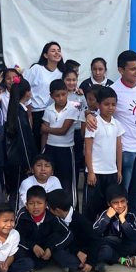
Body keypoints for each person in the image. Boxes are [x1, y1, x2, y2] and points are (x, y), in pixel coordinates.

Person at [86, 50, 136, 215]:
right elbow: (98, 112)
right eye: (133, 69)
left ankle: (130, 217)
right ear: (121, 70)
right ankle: (116, 221)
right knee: (120, 192)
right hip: (124, 150)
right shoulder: (113, 90)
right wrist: (88, 114)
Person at [15, 185, 80, 272]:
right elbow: (15, 236)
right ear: (26, 205)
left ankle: (80, 264)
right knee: (19, 254)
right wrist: (33, 246)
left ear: (46, 204)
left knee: (64, 256)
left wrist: (51, 248)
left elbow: (68, 234)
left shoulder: (52, 216)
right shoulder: (22, 215)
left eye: (39, 203)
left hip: (48, 249)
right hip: (29, 249)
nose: (35, 207)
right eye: (31, 203)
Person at [83, 86, 124, 222]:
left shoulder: (117, 124)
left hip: (111, 172)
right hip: (96, 172)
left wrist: (119, 170)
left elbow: (119, 148)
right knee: (90, 206)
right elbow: (88, 149)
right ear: (99, 105)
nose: (110, 107)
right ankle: (88, 236)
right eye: (106, 104)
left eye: (113, 104)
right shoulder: (93, 123)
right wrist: (90, 172)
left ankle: (105, 235)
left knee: (109, 207)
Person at [42, 79, 79, 207]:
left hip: (66, 149)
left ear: (67, 93)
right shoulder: (48, 110)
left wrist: (47, 128)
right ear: (51, 96)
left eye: (63, 94)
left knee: (67, 182)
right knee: (52, 180)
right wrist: (43, 151)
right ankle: (54, 208)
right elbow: (44, 133)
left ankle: (71, 210)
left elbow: (63, 130)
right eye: (57, 95)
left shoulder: (72, 108)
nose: (61, 98)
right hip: (50, 148)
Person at [92, 185, 136, 272]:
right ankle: (121, 260)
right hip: (110, 244)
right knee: (104, 250)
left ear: (127, 201)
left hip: (125, 245)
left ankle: (118, 258)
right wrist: (107, 217)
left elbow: (134, 236)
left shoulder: (132, 214)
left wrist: (123, 220)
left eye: (122, 201)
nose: (120, 205)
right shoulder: (106, 213)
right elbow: (94, 233)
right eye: (115, 203)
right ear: (109, 204)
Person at [48, 189, 98, 272]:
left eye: (49, 208)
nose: (48, 210)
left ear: (57, 210)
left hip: (85, 249)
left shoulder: (81, 221)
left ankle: (84, 265)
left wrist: (90, 262)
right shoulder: (56, 219)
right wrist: (77, 252)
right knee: (57, 252)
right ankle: (80, 264)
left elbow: (94, 241)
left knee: (103, 250)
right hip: (72, 249)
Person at [27, 41, 65, 151]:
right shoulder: (37, 69)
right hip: (36, 112)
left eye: (59, 51)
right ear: (45, 55)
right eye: (53, 51)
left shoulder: (62, 72)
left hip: (54, 112)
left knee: (51, 143)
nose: (57, 53)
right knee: (37, 143)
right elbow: (25, 87)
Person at [4, 78, 36, 208]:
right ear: (27, 93)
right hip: (19, 161)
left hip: (15, 160)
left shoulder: (16, 110)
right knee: (17, 192)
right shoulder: (19, 113)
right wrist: (29, 164)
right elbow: (23, 140)